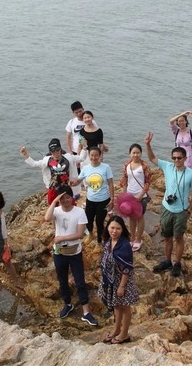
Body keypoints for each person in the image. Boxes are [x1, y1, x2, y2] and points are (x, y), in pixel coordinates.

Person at [145, 132, 192, 277]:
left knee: (179, 238)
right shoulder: (168, 167)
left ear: (185, 158)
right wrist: (148, 144)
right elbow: (152, 158)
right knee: (167, 237)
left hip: (181, 211)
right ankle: (167, 261)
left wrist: (189, 210)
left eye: (179, 158)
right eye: (174, 158)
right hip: (167, 208)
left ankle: (177, 263)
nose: (176, 160)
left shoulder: (191, 174)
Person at [44, 185, 99, 326]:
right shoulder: (56, 210)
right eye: (62, 198)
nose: (65, 201)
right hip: (59, 252)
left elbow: (80, 234)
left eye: (68, 197)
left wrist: (62, 238)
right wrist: (54, 201)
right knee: (62, 281)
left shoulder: (79, 212)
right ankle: (68, 304)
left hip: (74, 252)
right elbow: (47, 218)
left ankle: (86, 312)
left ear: (72, 197)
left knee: (80, 281)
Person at [98, 216, 140, 344]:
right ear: (108, 228)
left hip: (122, 281)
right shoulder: (107, 242)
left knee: (124, 307)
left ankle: (124, 334)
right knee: (116, 305)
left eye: (118, 228)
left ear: (122, 230)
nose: (114, 231)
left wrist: (121, 286)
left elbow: (127, 268)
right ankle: (116, 330)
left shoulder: (125, 245)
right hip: (111, 280)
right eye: (112, 228)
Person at [70, 146, 115, 243]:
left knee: (99, 222)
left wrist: (112, 199)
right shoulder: (86, 168)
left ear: (100, 155)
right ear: (89, 156)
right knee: (88, 220)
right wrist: (73, 183)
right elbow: (79, 180)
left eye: (96, 155)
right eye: (92, 155)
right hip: (90, 200)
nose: (94, 157)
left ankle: (99, 241)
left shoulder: (106, 167)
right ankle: (90, 234)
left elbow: (111, 183)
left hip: (103, 200)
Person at [20, 138, 86, 203]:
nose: (55, 153)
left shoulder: (69, 157)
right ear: (50, 152)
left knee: (70, 205)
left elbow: (82, 158)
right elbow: (34, 164)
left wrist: (84, 147)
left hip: (66, 188)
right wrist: (25, 154)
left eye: (57, 150)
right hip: (53, 188)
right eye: (53, 151)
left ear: (60, 149)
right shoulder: (47, 160)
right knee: (53, 206)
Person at [118, 143, 152, 252]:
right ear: (130, 154)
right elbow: (125, 180)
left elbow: (148, 182)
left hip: (141, 196)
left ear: (141, 153)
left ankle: (138, 239)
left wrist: (141, 195)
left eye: (138, 153)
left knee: (139, 217)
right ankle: (132, 238)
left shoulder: (144, 166)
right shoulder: (127, 164)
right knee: (131, 217)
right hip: (130, 195)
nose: (135, 155)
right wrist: (124, 195)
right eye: (133, 153)